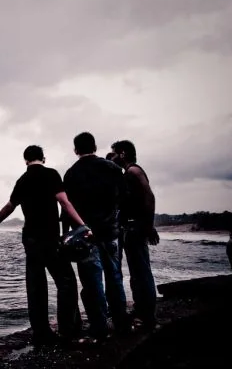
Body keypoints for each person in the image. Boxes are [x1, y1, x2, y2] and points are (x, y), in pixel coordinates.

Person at [0, 145, 88, 345]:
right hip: (50, 238)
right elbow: (64, 202)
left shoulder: (23, 180)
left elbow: (9, 207)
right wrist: (82, 225)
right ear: (43, 158)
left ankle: (41, 333)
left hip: (30, 240)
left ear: (25, 160)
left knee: (36, 287)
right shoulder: (51, 174)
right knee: (66, 282)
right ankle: (67, 330)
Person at [62, 132, 131, 341]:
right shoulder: (113, 168)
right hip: (110, 232)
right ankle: (121, 324)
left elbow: (66, 209)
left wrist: (66, 235)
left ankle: (99, 328)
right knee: (114, 277)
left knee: (93, 284)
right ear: (95, 147)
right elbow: (124, 198)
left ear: (76, 150)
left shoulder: (71, 173)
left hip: (85, 236)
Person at [111, 140, 158, 330]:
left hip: (135, 228)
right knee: (137, 272)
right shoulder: (129, 172)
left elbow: (150, 197)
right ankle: (142, 310)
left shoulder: (133, 171)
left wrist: (148, 226)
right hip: (132, 227)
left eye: (114, 153)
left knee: (141, 272)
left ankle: (148, 316)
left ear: (122, 154)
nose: (113, 157)